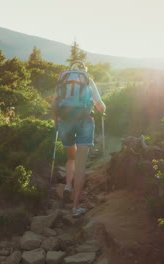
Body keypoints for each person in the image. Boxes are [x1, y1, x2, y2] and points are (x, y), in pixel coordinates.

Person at [55, 60, 106, 217]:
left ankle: (68, 186)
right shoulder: (88, 80)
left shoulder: (63, 80)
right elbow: (100, 106)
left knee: (71, 156)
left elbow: (55, 104)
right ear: (84, 71)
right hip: (84, 121)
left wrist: (57, 122)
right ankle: (75, 208)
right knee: (81, 165)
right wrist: (103, 111)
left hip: (65, 122)